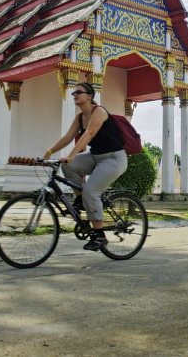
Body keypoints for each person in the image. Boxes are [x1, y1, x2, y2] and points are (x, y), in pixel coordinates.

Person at [43, 82, 128, 251]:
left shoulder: (99, 112)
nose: (75, 95)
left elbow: (89, 133)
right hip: (96, 157)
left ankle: (99, 235)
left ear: (89, 96)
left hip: (113, 159)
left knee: (91, 190)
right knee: (68, 166)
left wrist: (72, 154)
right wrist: (49, 151)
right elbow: (68, 137)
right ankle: (81, 199)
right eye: (74, 92)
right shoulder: (80, 117)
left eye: (79, 92)